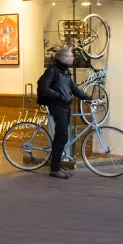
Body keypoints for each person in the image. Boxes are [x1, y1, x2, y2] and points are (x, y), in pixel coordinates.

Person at [37, 47, 93, 179]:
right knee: (62, 135)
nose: (73, 58)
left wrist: (89, 98)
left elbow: (74, 89)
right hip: (57, 106)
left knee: (62, 136)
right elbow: (45, 88)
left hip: (66, 106)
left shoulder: (65, 72)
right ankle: (55, 168)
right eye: (71, 56)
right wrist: (60, 96)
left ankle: (57, 165)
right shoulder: (52, 71)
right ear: (63, 58)